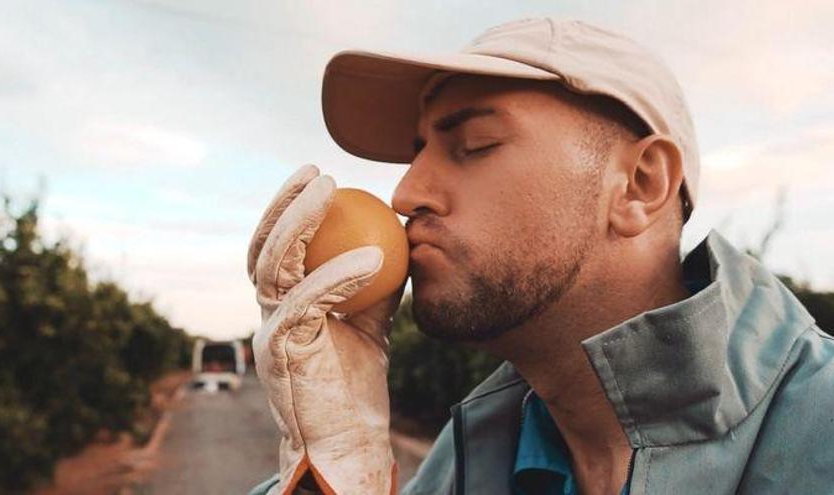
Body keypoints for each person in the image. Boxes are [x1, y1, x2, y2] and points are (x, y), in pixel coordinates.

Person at [247, 17, 834, 495]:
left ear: (640, 185)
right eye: (419, 150)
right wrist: (334, 470)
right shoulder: (473, 453)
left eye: (474, 145)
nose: (404, 194)